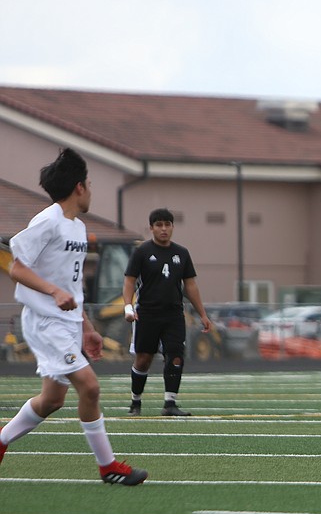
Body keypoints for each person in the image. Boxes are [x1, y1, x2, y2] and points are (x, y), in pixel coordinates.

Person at [0, 148, 147, 485]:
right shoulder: (47, 220)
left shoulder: (78, 228)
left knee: (51, 400)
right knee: (90, 388)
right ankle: (108, 467)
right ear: (79, 187)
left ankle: (1, 441)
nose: (91, 190)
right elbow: (17, 267)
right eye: (90, 184)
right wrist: (52, 292)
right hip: (45, 322)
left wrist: (87, 327)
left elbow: (71, 285)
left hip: (67, 324)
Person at [122, 208, 211, 417]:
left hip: (173, 314)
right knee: (144, 358)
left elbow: (190, 286)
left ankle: (170, 403)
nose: (163, 229)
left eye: (167, 224)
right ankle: (136, 401)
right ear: (151, 228)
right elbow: (129, 281)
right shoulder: (142, 252)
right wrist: (128, 306)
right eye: (159, 225)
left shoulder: (182, 253)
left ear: (172, 227)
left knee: (176, 355)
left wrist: (203, 314)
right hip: (147, 313)